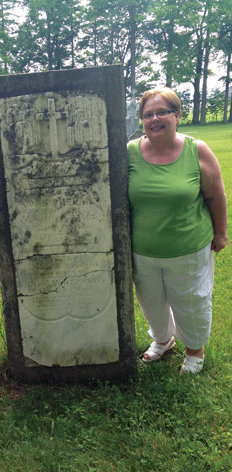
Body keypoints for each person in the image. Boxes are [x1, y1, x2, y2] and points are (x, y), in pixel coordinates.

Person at [127, 87, 227, 374]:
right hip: (142, 249)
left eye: (162, 112)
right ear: (142, 121)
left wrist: (221, 233)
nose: (154, 119)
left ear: (177, 115)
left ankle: (195, 352)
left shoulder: (197, 150)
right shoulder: (131, 152)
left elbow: (216, 195)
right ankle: (162, 340)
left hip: (188, 246)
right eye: (148, 115)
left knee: (191, 301)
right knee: (151, 302)